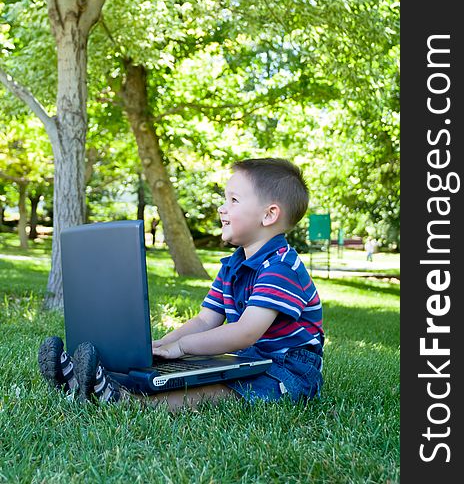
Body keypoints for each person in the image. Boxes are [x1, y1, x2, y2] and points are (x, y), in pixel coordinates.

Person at [38, 158, 324, 410]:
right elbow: (204, 321)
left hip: (289, 369)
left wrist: (183, 347)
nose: (222, 208)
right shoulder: (233, 265)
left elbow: (246, 332)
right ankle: (84, 379)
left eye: (233, 201)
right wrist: (165, 344)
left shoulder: (281, 267)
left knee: (220, 389)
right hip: (248, 359)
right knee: (174, 365)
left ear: (269, 215)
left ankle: (128, 401)